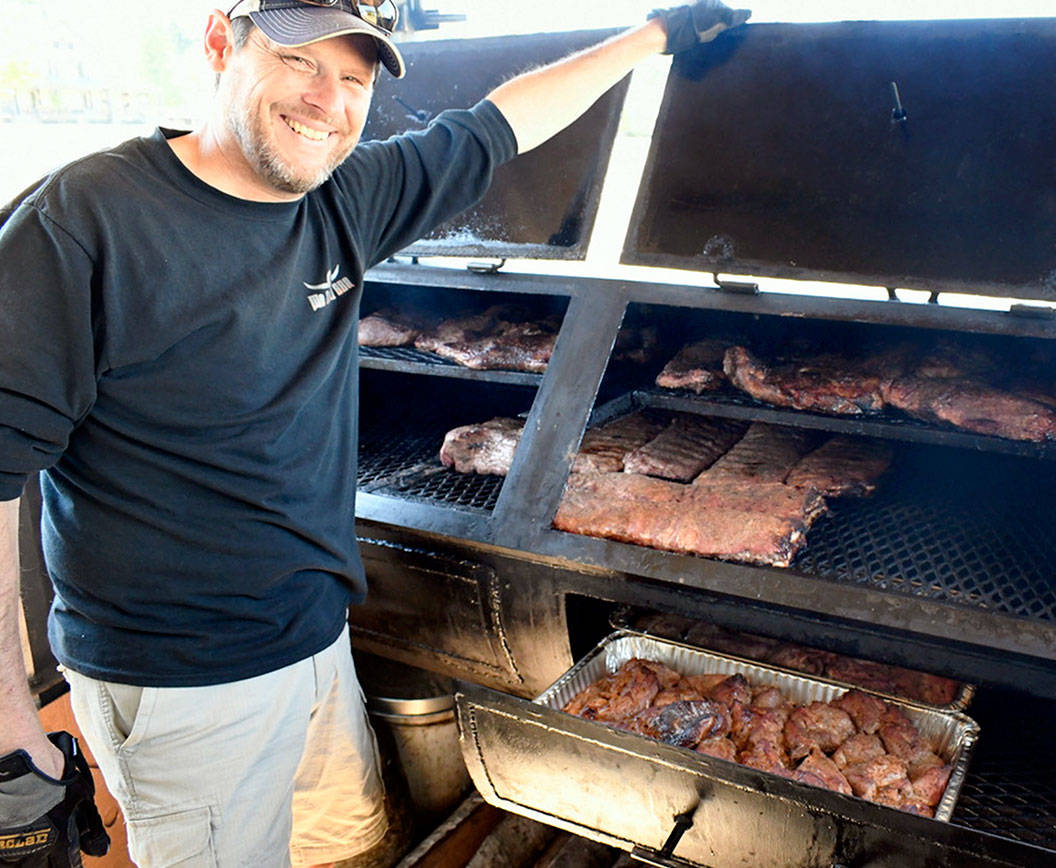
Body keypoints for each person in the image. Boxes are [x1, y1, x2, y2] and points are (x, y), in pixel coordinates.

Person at [0, 0, 748, 864]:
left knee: (347, 846)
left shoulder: (342, 198)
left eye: (353, 79)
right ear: (218, 42)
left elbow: (498, 126)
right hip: (182, 677)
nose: (328, 100)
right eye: (300, 63)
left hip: (314, 636)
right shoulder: (84, 223)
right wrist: (10, 721)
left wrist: (656, 34)